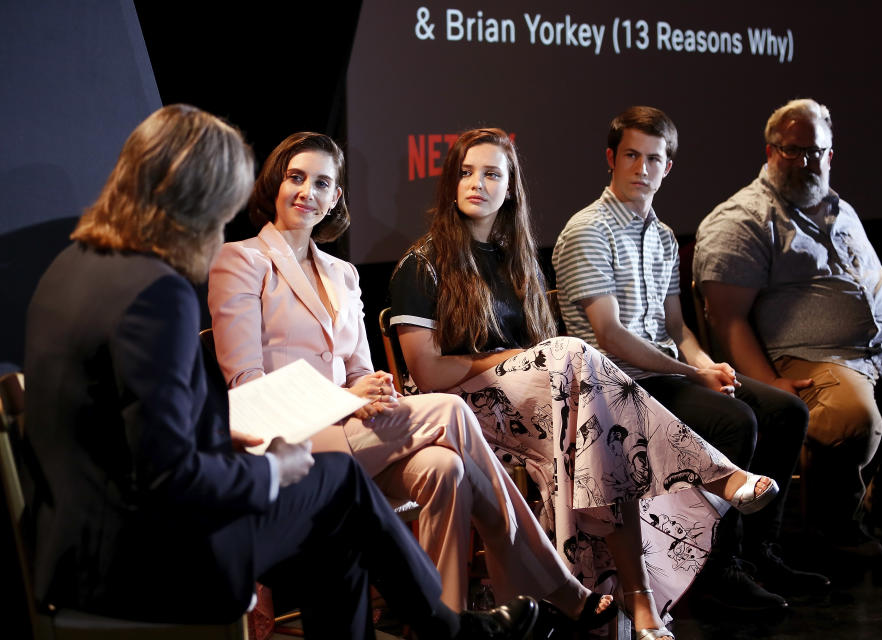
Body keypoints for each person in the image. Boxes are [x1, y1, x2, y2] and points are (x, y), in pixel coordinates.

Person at [22, 105, 538, 640]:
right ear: (194, 194)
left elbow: (142, 427)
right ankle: (457, 625)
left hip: (82, 541)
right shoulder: (158, 293)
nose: (222, 223)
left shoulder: (70, 269)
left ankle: (447, 625)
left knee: (346, 496)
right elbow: (169, 474)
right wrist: (272, 468)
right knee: (339, 491)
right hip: (142, 557)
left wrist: (235, 435)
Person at [207, 131, 615, 631]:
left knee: (443, 466)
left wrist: (371, 389)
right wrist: (344, 396)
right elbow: (248, 385)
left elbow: (357, 371)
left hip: (349, 435)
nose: (306, 193)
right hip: (284, 444)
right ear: (275, 183)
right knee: (448, 409)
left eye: (321, 183)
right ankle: (556, 584)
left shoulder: (342, 273)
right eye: (296, 178)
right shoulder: (240, 261)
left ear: (335, 198)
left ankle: (444, 620)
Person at [389, 127, 779, 638]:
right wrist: (517, 357)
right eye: (465, 172)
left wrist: (533, 359)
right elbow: (429, 374)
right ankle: (710, 480)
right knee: (575, 361)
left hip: (534, 405)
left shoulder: (516, 259)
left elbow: (540, 360)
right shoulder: (420, 265)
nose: (476, 184)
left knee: (598, 440)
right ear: (448, 183)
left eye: (490, 174)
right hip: (458, 413)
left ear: (511, 188)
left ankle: (632, 607)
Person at [552, 106, 827, 609]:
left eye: (653, 159)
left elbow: (676, 329)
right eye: (631, 156)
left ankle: (761, 551)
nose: (641, 169)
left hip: (663, 375)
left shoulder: (661, 236)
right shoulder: (586, 230)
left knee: (787, 411)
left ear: (667, 167)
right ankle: (718, 572)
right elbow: (610, 336)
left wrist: (707, 367)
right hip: (612, 388)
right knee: (735, 422)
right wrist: (692, 372)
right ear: (611, 159)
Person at [694, 98, 882, 555]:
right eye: (791, 151)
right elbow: (726, 318)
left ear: (830, 154)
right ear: (770, 152)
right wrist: (770, 384)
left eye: (814, 152)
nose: (804, 162)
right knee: (854, 421)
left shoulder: (839, 207)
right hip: (814, 357)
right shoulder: (742, 220)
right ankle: (836, 527)